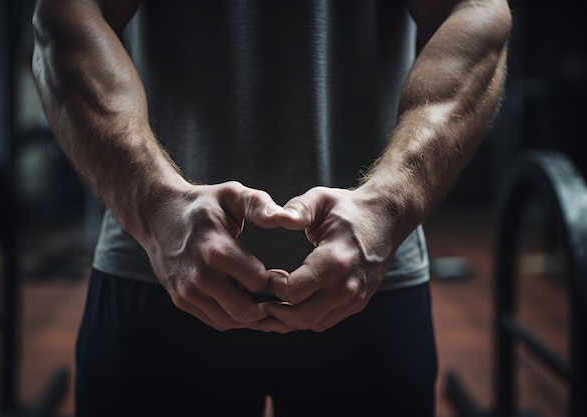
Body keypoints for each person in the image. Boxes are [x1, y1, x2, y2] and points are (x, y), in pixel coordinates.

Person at [31, 0, 511, 416]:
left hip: (366, 270)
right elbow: (62, 15)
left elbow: (476, 11)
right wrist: (155, 207)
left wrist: (388, 205)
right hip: (158, 266)